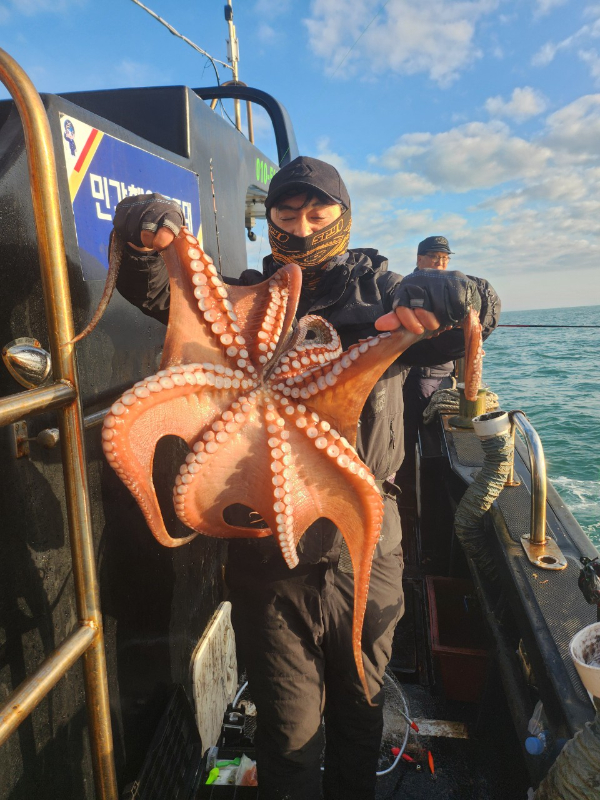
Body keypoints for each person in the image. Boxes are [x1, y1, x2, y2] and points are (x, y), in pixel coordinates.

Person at [112, 157, 501, 800]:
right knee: (287, 727)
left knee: (360, 704)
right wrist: (138, 233)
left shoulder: (388, 297)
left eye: (318, 214)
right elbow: (162, 288)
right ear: (269, 222)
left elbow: (459, 325)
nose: (302, 227)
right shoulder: (245, 300)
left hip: (361, 533)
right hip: (266, 545)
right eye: (287, 215)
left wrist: (467, 295)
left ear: (343, 218)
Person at [399, 236, 458, 486]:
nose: (440, 262)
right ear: (420, 259)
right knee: (410, 433)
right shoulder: (408, 287)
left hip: (445, 374)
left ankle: (429, 484)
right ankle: (406, 488)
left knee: (435, 437)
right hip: (419, 375)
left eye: (444, 258)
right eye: (434, 257)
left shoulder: (452, 287)